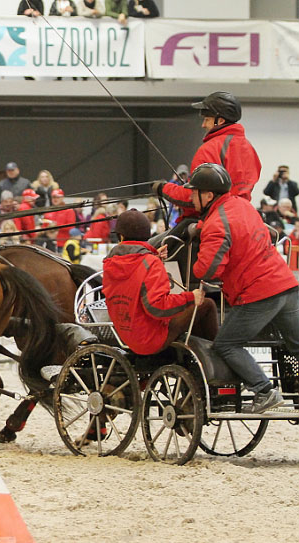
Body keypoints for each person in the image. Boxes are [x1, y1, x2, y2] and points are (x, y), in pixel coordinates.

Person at [189, 163, 299, 413]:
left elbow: (207, 270)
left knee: (226, 344)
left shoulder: (216, 224)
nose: (191, 197)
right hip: (286, 284)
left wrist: (199, 244)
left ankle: (264, 391)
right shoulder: (242, 205)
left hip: (259, 292)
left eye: (194, 192)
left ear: (208, 195)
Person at [103, 209, 217, 356]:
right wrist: (190, 297)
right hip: (151, 339)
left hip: (126, 335)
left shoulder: (109, 263)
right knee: (206, 304)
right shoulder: (150, 263)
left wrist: (153, 256)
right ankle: (216, 356)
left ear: (121, 236)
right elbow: (157, 307)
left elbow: (133, 273)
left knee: (190, 311)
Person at [156, 91, 261, 228]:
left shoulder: (209, 149)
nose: (203, 125)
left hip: (212, 221)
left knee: (160, 241)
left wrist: (163, 188)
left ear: (220, 121)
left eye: (207, 119)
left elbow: (195, 197)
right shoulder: (249, 148)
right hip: (244, 218)